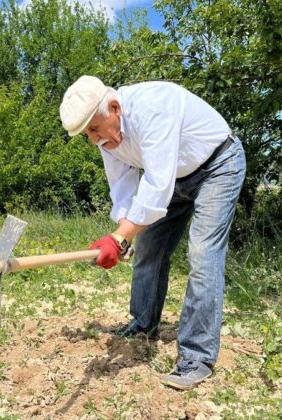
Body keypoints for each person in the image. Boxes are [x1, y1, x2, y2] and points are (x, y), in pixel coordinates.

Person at [59, 75, 246, 390]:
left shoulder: (153, 106)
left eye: (93, 129)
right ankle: (143, 324)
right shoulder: (107, 137)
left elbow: (158, 183)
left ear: (115, 107)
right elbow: (123, 188)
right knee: (148, 248)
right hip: (175, 177)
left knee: (202, 254)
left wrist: (121, 236)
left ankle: (197, 358)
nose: (92, 140)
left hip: (218, 166)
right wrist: (122, 235)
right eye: (86, 134)